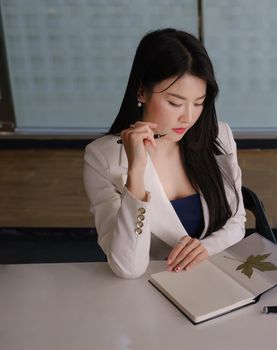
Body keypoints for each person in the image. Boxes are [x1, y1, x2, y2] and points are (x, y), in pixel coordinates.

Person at [83, 28, 246, 279]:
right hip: (155, 287)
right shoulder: (102, 158)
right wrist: (136, 172)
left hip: (219, 277)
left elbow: (237, 222)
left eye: (199, 102)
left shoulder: (218, 136)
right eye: (175, 103)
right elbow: (127, 267)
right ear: (141, 92)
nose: (188, 117)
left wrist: (205, 248)